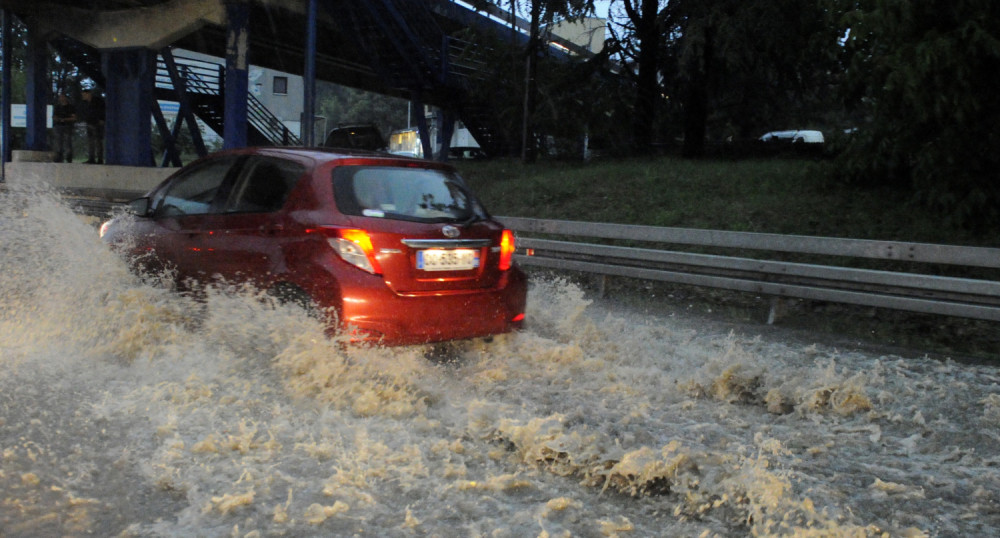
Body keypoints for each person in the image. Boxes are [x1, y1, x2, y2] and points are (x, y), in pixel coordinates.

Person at [80, 89, 106, 164]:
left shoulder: (98, 101)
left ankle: (100, 159)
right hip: (89, 123)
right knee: (91, 142)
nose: (83, 96)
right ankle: (91, 158)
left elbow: (102, 110)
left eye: (84, 95)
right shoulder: (85, 103)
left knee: (98, 141)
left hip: (97, 123)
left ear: (89, 94)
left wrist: (101, 119)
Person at [53, 93, 77, 163]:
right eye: (60, 97)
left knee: (68, 142)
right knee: (58, 142)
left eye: (63, 97)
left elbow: (74, 118)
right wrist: (58, 119)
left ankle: (68, 157)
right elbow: (54, 116)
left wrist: (65, 119)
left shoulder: (71, 107)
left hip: (67, 126)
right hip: (58, 126)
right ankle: (59, 157)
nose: (61, 99)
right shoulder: (57, 107)